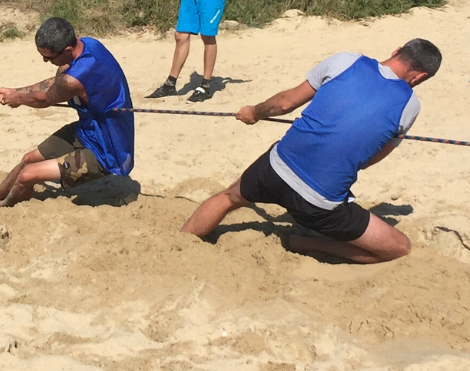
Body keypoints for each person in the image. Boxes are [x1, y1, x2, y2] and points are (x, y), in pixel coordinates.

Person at [180, 39, 442, 264]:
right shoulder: (410, 106)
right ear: (419, 77)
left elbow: (285, 104)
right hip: (318, 203)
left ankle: (179, 241)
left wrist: (253, 112)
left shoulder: (345, 60)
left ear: (397, 51)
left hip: (275, 168)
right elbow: (369, 158)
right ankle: (307, 244)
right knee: (399, 248)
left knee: (228, 197)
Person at [0, 17, 134, 207]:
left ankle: (1, 208)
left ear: (66, 50)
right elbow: (53, 83)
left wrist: (17, 99)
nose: (44, 60)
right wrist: (15, 92)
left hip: (107, 150)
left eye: (49, 57)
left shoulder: (72, 81)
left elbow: (45, 98)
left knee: (27, 175)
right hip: (88, 129)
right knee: (28, 159)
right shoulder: (88, 43)